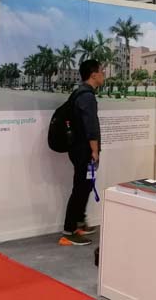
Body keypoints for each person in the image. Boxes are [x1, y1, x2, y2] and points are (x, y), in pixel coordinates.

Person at [59, 59, 104, 246]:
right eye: (101, 71)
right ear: (93, 74)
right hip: (83, 150)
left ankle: (78, 223)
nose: (103, 74)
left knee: (85, 186)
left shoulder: (81, 93)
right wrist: (94, 150)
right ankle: (69, 231)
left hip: (79, 149)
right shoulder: (86, 96)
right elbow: (90, 126)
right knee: (80, 188)